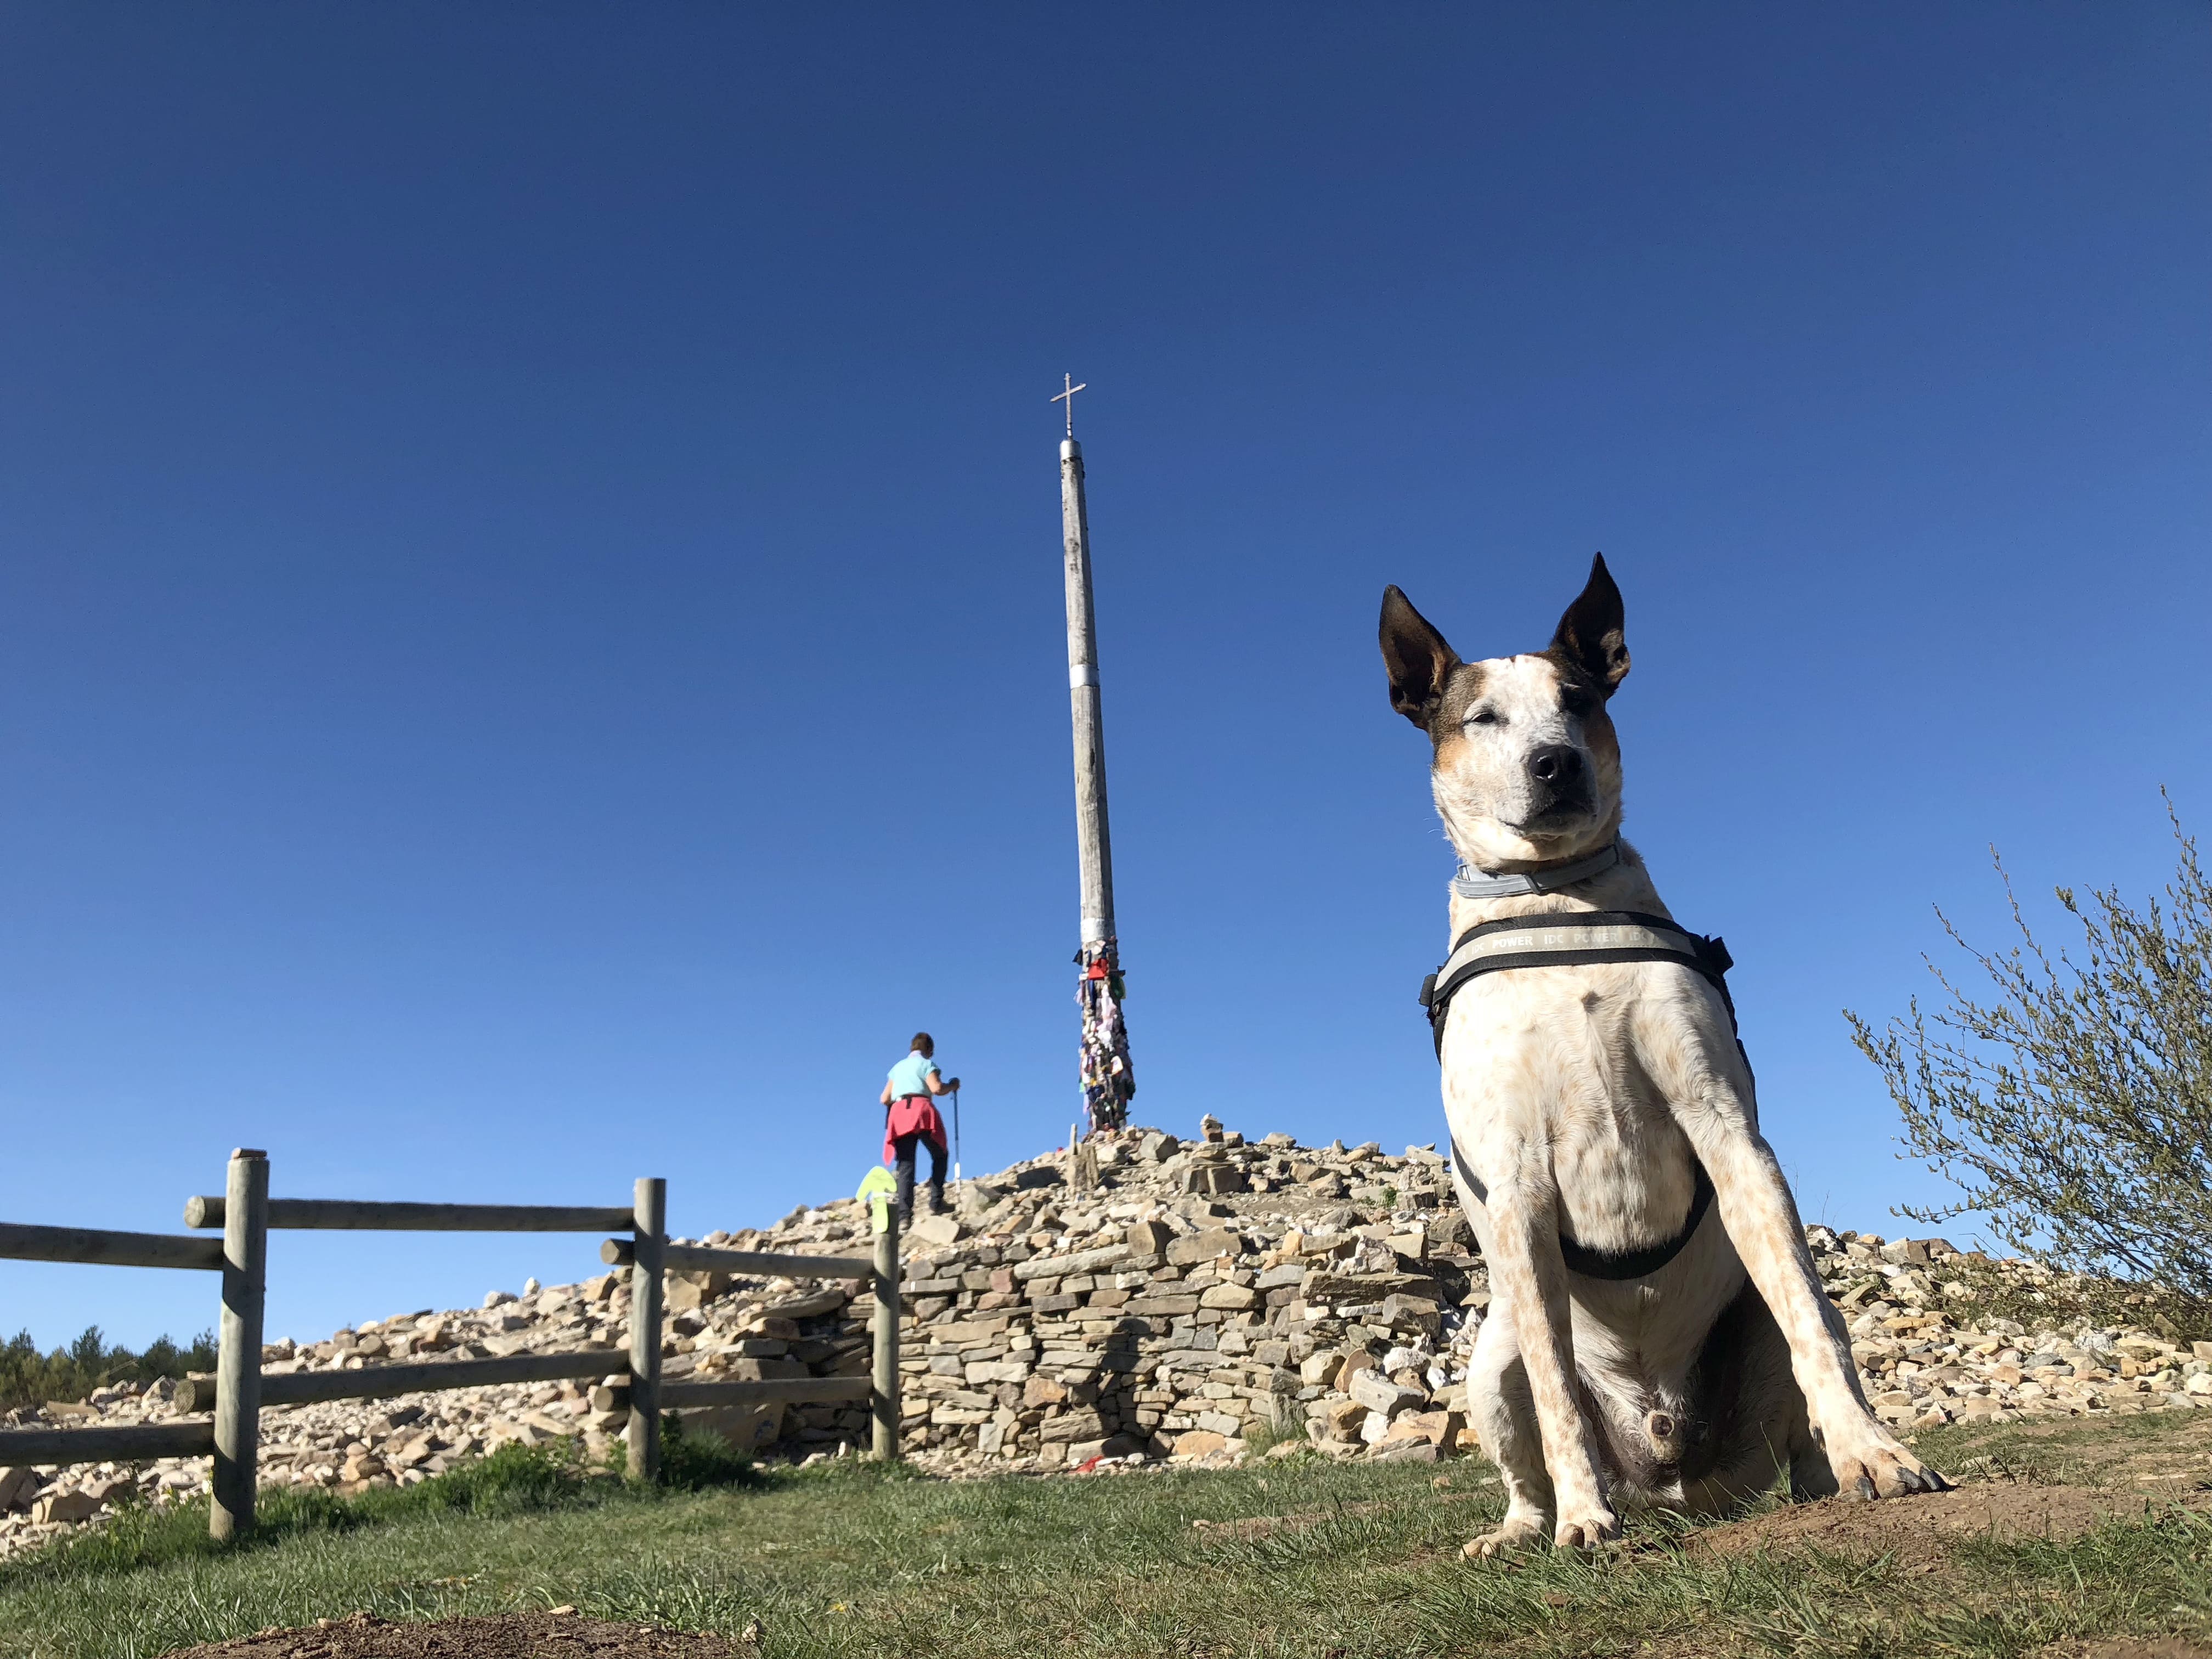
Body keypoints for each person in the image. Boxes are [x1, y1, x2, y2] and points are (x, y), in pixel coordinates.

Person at [881, 1032, 958, 1226]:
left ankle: (904, 1216)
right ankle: (936, 1202)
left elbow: (884, 1098)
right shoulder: (927, 1064)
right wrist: (953, 1086)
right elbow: (937, 1089)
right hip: (921, 1110)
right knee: (940, 1153)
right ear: (930, 1050)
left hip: (899, 1114)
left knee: (906, 1165)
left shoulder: (897, 1067)